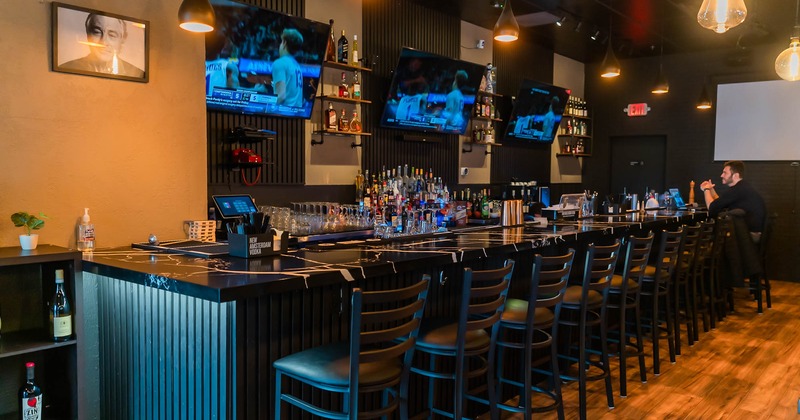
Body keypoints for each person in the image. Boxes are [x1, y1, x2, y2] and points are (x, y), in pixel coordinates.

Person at [61, 13, 144, 78]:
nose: (103, 42)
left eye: (112, 35)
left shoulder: (137, 74)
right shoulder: (66, 68)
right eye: (97, 32)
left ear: (122, 39)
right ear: (87, 34)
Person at [700, 160, 766, 237]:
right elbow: (720, 204)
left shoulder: (737, 190)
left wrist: (706, 189)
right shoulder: (742, 187)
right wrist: (711, 190)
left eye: (725, 173)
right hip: (752, 232)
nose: (721, 175)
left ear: (735, 175)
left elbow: (712, 208)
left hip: (748, 235)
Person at [271, 28, 304, 107]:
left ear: (284, 43)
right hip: (297, 115)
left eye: (281, 42)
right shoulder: (297, 66)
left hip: (283, 113)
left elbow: (281, 96)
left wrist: (268, 108)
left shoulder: (279, 63)